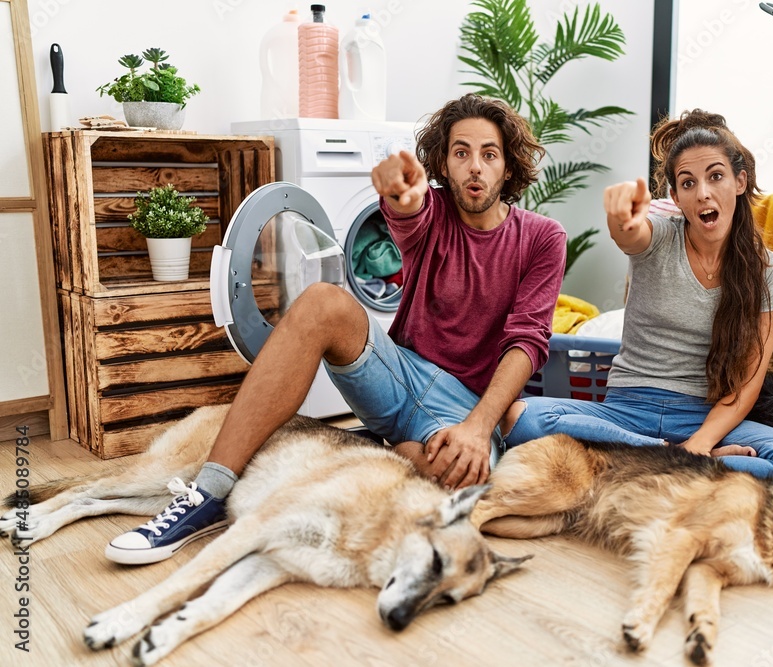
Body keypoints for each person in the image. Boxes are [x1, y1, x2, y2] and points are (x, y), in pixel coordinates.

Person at [106, 94, 567, 564]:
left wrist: (477, 427)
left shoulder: (543, 238)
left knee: (468, 491)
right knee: (325, 300)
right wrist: (399, 196)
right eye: (461, 152)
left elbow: (526, 342)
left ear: (508, 167)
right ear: (444, 166)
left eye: (489, 154)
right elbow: (409, 213)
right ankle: (205, 496)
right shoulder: (435, 212)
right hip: (399, 375)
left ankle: (379, 451)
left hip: (463, 406)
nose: (475, 167)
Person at [500, 109, 773, 493]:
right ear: (675, 196)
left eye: (716, 176)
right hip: (625, 410)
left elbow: (747, 384)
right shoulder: (659, 236)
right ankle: (678, 460)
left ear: (740, 182)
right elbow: (630, 234)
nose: (703, 192)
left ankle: (644, 462)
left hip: (705, 417)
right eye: (688, 183)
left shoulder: (767, 268)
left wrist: (703, 442)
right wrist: (621, 217)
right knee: (519, 417)